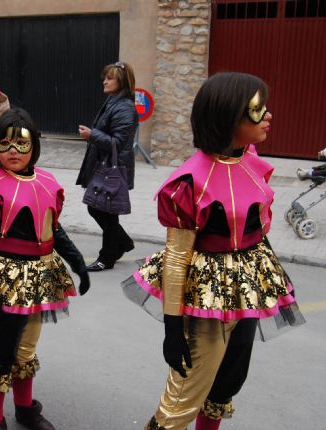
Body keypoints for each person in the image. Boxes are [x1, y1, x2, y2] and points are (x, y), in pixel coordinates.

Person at [122, 72, 304, 430]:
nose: (268, 116)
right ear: (228, 116)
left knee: (226, 384)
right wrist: (172, 329)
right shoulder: (189, 183)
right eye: (257, 110)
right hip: (206, 299)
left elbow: (258, 232)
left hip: (247, 292)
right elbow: (176, 259)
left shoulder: (251, 161)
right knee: (183, 399)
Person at [0, 108, 90, 430]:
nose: (13, 152)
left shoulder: (47, 181)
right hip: (3, 280)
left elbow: (53, 229)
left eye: (21, 144)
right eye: (5, 145)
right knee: (1, 352)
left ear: (34, 146)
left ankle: (26, 410)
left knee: (26, 350)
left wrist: (77, 261)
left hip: (38, 277)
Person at [77, 61, 138, 272]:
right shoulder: (114, 102)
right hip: (105, 163)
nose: (105, 81)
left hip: (113, 166)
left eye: (110, 78)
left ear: (122, 82)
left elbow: (119, 141)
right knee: (97, 207)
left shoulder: (124, 107)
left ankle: (107, 258)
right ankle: (122, 243)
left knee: (105, 210)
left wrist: (92, 135)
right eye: (105, 77)